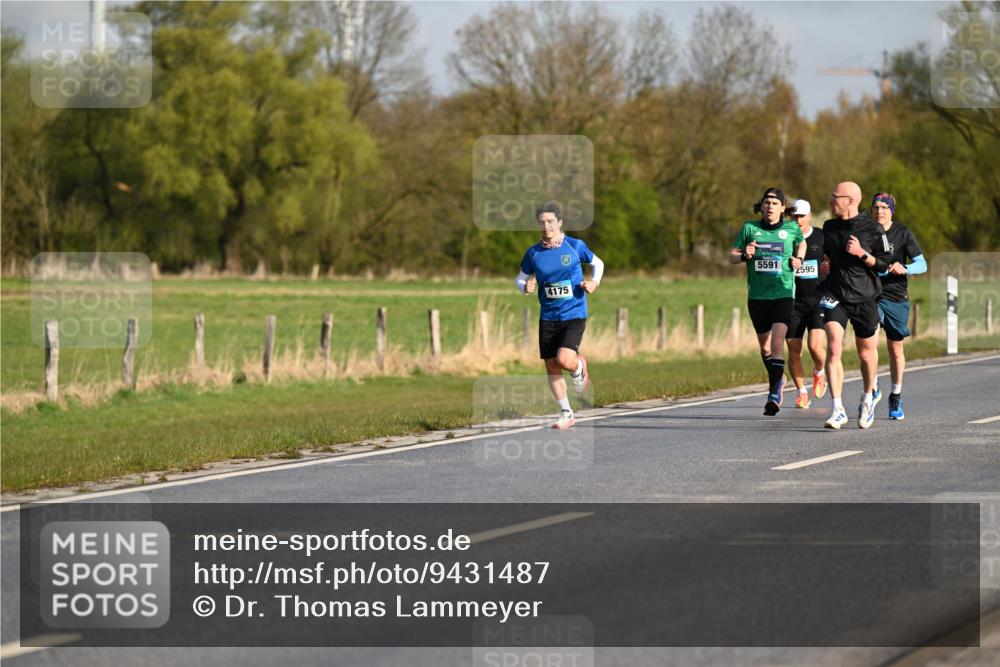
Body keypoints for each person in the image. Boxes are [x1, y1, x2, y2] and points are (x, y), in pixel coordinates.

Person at [516, 203, 604, 429]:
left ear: (560, 222)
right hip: (548, 316)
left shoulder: (575, 246)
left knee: (564, 360)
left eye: (551, 222)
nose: (547, 226)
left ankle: (578, 367)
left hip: (573, 312)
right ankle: (566, 413)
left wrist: (594, 282)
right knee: (552, 366)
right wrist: (525, 286)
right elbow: (520, 278)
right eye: (542, 222)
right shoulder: (534, 253)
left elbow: (598, 263)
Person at [820, 182, 893, 429]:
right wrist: (825, 263)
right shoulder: (828, 228)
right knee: (833, 345)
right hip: (835, 294)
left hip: (865, 297)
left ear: (849, 201)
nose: (831, 200)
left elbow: (884, 266)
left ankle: (868, 397)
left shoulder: (873, 229)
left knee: (866, 353)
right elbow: (826, 255)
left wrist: (862, 253)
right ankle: (838, 408)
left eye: (835, 196)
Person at [729, 188, 806, 416]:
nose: (770, 206)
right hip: (757, 297)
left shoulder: (791, 228)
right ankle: (778, 379)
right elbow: (731, 256)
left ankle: (773, 394)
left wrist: (798, 260)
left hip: (783, 294)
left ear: (783, 208)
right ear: (761, 206)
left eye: (775, 202)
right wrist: (745, 255)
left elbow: (801, 244)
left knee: (777, 344)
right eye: (767, 202)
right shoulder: (750, 229)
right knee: (764, 347)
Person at [870, 192, 927, 420]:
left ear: (891, 210)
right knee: (868, 341)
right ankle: (873, 387)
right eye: (876, 207)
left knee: (895, 350)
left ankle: (895, 395)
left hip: (896, 296)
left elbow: (922, 264)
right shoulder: (865, 231)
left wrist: (905, 268)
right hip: (870, 295)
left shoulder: (902, 233)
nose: (879, 211)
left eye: (884, 207)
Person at [785, 199, 828, 408]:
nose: (798, 220)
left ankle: (819, 371)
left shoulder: (821, 236)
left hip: (817, 301)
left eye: (801, 216)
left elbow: (834, 260)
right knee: (793, 350)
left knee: (815, 347)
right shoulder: (784, 237)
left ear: (809, 216)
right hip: (793, 302)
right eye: (794, 216)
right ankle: (802, 392)